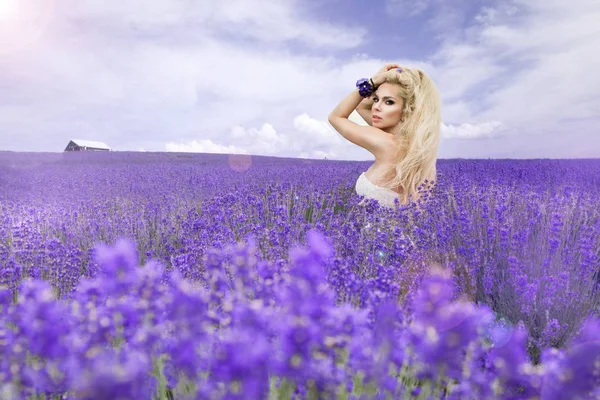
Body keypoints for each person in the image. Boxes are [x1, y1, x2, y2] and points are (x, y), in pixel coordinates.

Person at [328, 63, 442, 209]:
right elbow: (362, 107)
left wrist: (373, 82)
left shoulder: (386, 143)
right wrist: (383, 84)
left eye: (389, 102)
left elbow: (336, 117)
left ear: (408, 110)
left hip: (373, 231)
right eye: (376, 99)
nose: (376, 107)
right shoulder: (419, 150)